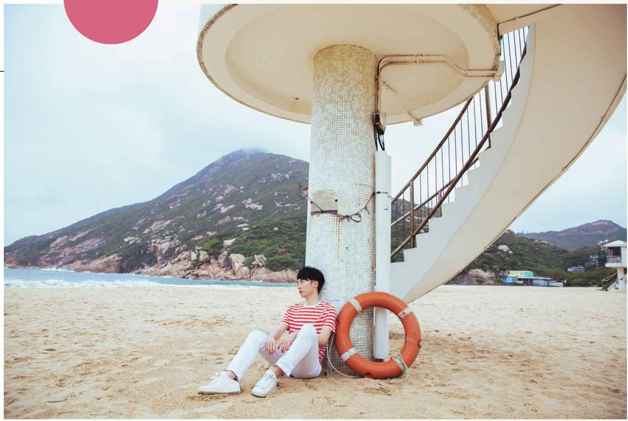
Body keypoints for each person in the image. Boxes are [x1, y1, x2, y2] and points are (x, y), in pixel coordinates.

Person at [198, 266, 337, 398]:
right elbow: (279, 329)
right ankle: (230, 378)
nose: (298, 286)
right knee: (257, 335)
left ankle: (272, 375)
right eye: (298, 282)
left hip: (308, 368)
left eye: (303, 281)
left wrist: (295, 334)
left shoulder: (328, 310)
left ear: (315, 284)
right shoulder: (293, 309)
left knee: (308, 329)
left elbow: (323, 339)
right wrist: (271, 338)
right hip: (288, 364)